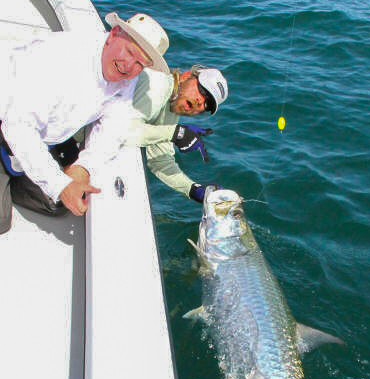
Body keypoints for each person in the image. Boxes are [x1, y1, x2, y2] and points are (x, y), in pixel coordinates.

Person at [0, 12, 169, 234]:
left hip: (42, 137)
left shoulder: (126, 73)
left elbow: (114, 127)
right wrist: (60, 184)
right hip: (9, 123)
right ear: (113, 34)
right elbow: (19, 127)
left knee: (66, 201)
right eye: (129, 52)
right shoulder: (60, 58)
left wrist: (83, 167)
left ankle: (20, 176)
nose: (129, 66)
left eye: (140, 63)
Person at [124, 62, 228, 203]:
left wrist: (194, 190)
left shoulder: (171, 109)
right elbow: (120, 132)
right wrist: (176, 133)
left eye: (207, 104)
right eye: (202, 91)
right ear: (186, 77)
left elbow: (160, 161)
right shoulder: (158, 84)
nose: (200, 101)